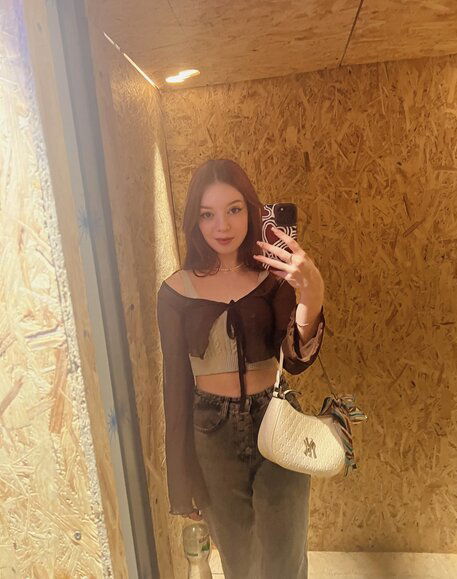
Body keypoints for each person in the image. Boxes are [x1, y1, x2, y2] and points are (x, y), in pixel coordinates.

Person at [156, 159, 326, 579]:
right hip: (210, 433)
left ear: (250, 210)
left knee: (286, 557)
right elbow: (175, 388)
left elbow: (296, 360)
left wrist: (312, 295)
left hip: (275, 420)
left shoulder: (271, 279)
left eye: (233, 209)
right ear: (194, 220)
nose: (222, 226)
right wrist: (181, 480)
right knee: (239, 561)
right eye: (207, 214)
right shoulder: (175, 291)